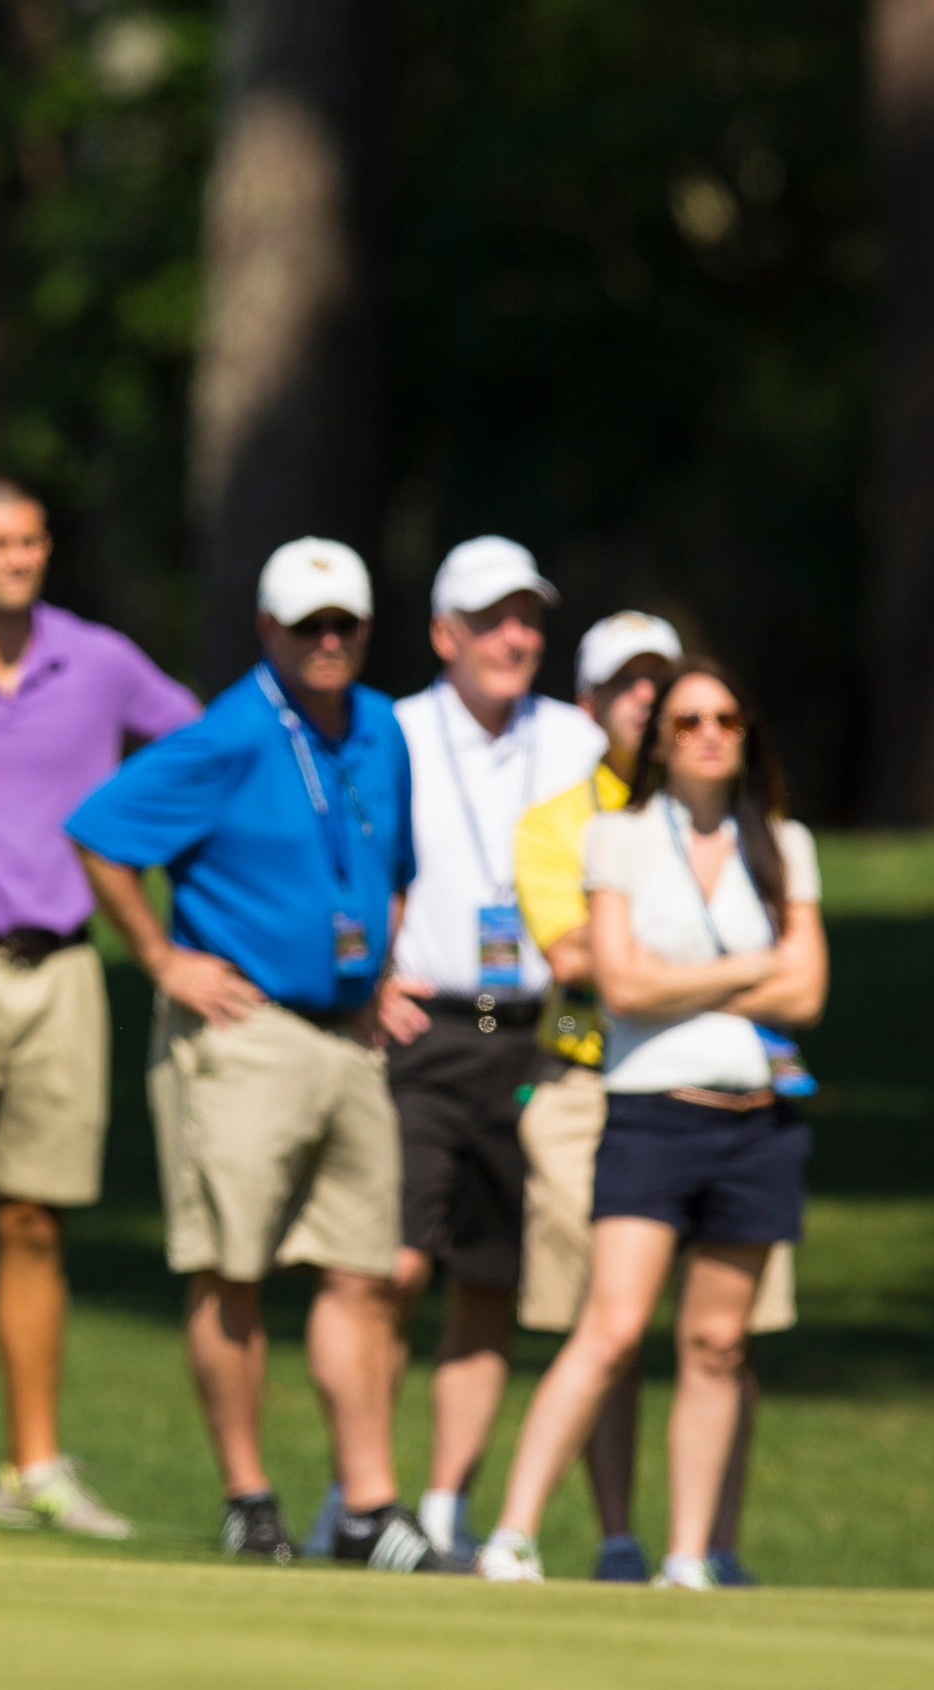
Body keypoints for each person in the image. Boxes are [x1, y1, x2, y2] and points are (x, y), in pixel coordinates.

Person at [71, 540, 464, 1573]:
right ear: (268, 630)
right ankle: (249, 1496)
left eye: (343, 624)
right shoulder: (232, 732)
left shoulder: (381, 726)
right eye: (307, 625)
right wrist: (162, 956)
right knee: (230, 1267)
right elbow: (100, 831)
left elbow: (392, 865)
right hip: (241, 1032)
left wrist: (377, 967)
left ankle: (371, 1509)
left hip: (347, 1038)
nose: (327, 641)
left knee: (360, 1272)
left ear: (366, 630)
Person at [0, 475, 200, 1535]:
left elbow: (197, 750)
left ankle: (34, 1465)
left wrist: (146, 860)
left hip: (62, 966)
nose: (17, 557)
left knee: (34, 1218)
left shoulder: (95, 660)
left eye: (31, 541)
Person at [478, 657, 827, 1588]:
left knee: (717, 1345)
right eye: (686, 721)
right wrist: (745, 976)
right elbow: (620, 984)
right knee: (614, 1327)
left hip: (757, 1117)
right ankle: (512, 1534)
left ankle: (689, 1556)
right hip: (650, 1113)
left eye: (725, 719)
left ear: (747, 735)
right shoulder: (617, 840)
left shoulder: (783, 844)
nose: (708, 734)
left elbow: (810, 987)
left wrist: (691, 987)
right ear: (657, 742)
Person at [370, 536, 604, 1560]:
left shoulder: (572, 738)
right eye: (490, 619)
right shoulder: (395, 731)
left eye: (526, 619)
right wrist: (368, 974)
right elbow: (362, 856)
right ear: (442, 634)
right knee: (394, 1266)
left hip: (538, 1034)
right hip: (426, 1027)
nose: (513, 638)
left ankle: (440, 1508)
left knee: (487, 1279)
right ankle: (363, 1493)